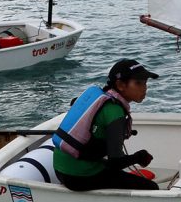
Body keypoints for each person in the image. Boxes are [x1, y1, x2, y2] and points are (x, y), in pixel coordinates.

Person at [53, 59, 160, 192]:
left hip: (59, 169)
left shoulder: (99, 97)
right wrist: (139, 157)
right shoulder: (115, 113)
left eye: (145, 83)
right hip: (79, 176)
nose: (144, 88)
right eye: (138, 83)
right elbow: (115, 163)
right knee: (152, 187)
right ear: (120, 85)